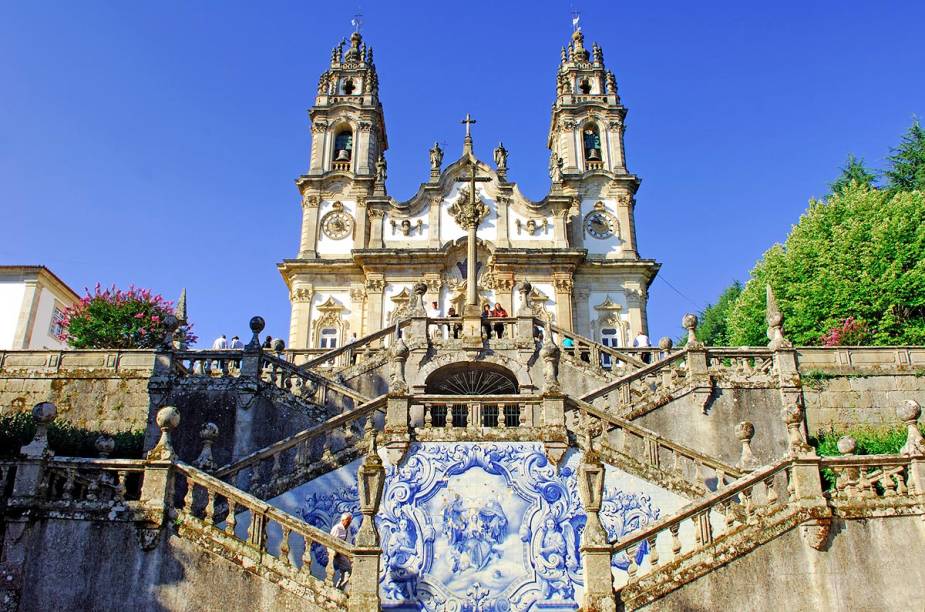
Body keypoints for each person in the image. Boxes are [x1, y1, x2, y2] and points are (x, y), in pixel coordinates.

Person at [330, 512, 353, 589]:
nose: (349, 522)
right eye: (348, 520)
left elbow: (348, 542)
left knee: (346, 572)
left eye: (350, 521)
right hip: (337, 554)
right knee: (348, 570)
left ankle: (339, 587)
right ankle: (339, 587)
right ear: (343, 520)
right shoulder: (337, 528)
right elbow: (331, 541)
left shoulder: (347, 530)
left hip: (343, 554)